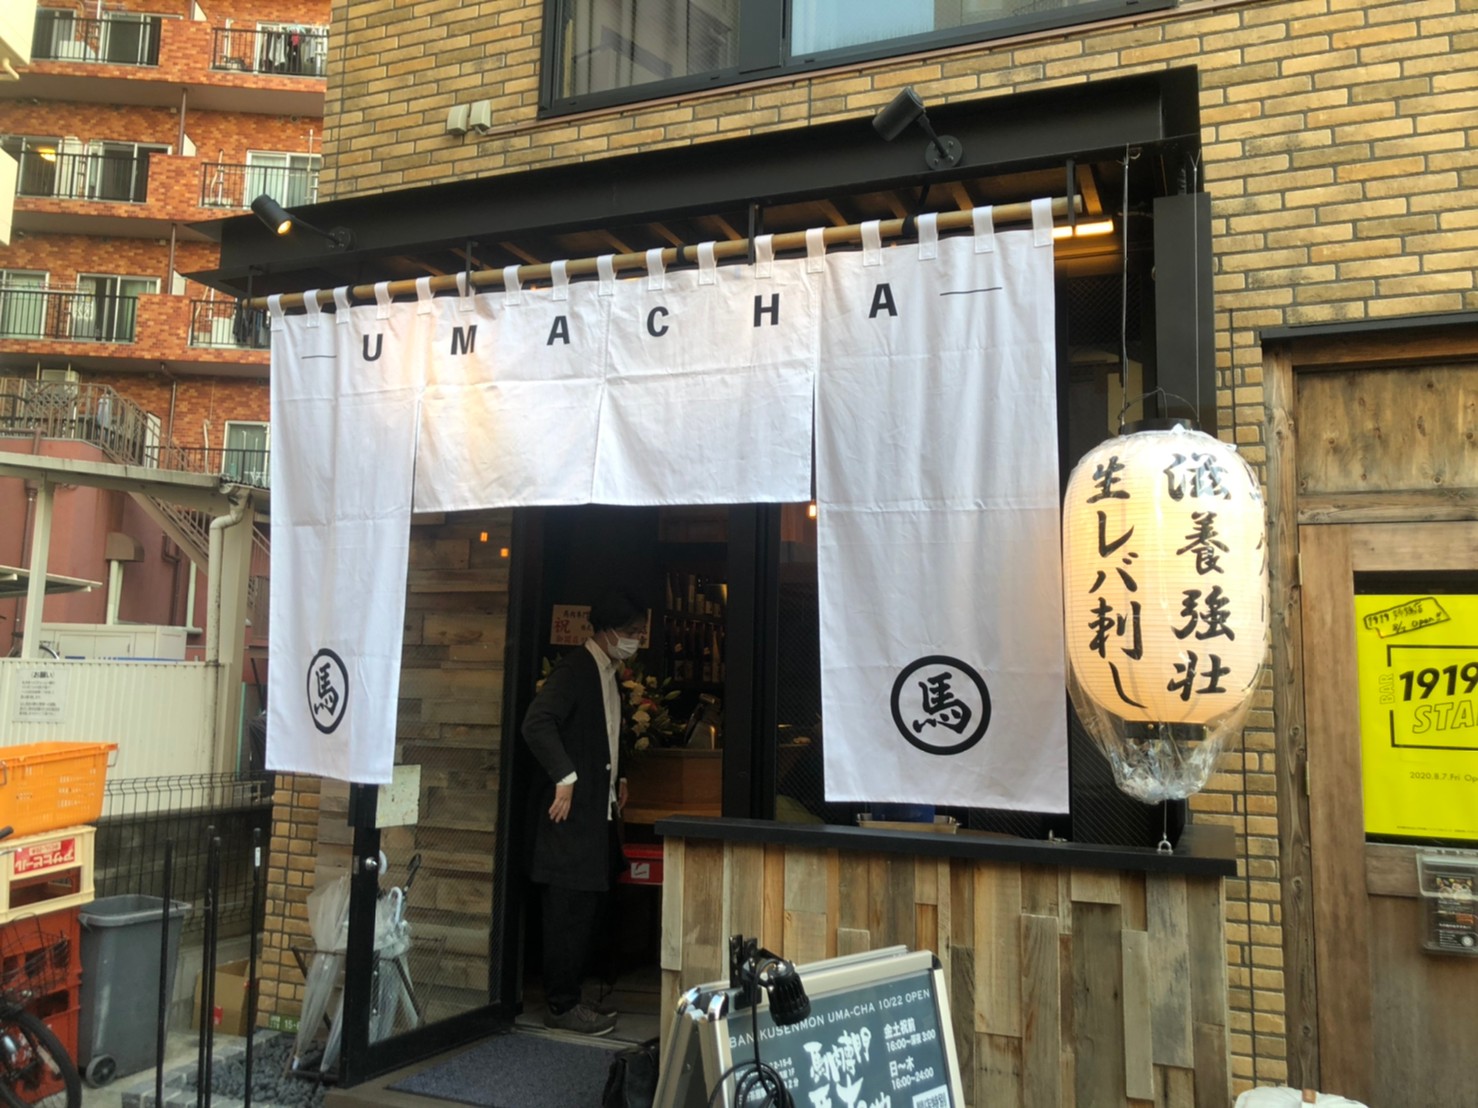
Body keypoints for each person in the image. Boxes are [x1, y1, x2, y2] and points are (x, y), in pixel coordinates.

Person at [522, 589, 646, 1035]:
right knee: (567, 911)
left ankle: (573, 996)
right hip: (568, 818)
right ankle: (561, 1005)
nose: (636, 641)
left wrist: (620, 776)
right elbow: (537, 723)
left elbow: (609, 732)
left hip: (596, 813)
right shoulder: (575, 670)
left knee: (585, 908)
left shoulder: (608, 672)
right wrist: (565, 776)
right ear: (609, 631)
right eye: (633, 632)